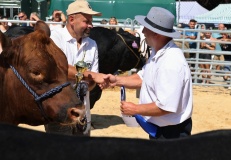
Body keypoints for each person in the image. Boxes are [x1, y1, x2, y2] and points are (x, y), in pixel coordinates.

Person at [101, 7, 193, 140]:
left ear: (157, 34)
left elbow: (166, 106)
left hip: (171, 133)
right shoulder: (158, 53)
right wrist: (116, 80)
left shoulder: (171, 62)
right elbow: (143, 78)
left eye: (146, 28)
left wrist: (135, 109)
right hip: (163, 130)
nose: (143, 31)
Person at [44, 0, 102, 136]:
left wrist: (86, 86)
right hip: (58, 113)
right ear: (71, 19)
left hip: (83, 113)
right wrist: (89, 76)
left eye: (91, 21)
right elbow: (59, 69)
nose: (91, 25)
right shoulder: (54, 38)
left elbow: (93, 79)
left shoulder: (92, 44)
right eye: (86, 21)